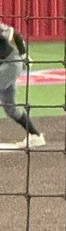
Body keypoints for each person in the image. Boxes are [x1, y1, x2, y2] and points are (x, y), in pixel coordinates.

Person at [0, 20, 45, 148]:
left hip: (10, 64)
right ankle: (36, 136)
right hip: (6, 67)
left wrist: (24, 54)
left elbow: (14, 33)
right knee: (11, 109)